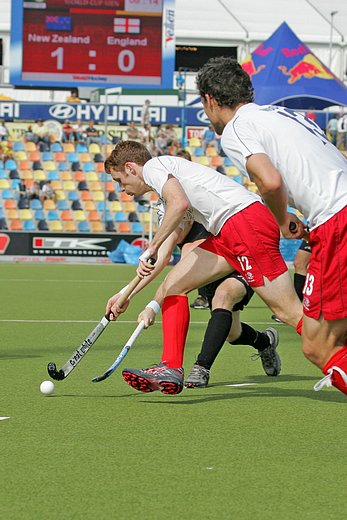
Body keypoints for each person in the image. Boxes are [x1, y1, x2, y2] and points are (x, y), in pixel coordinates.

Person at [196, 56, 347, 395]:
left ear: (209, 99)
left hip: (338, 221)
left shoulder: (236, 129)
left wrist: (282, 220)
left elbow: (271, 182)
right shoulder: (286, 114)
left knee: (317, 344)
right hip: (337, 211)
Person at [104, 141, 302, 394]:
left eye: (120, 180)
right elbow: (163, 256)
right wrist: (126, 294)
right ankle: (171, 367)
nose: (122, 189)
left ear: (131, 168)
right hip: (227, 233)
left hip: (246, 222)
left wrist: (152, 246)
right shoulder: (168, 192)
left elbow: (179, 208)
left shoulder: (154, 167)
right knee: (173, 285)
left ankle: (336, 352)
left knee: (287, 312)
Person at [106, 191, 280, 390]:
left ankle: (201, 368)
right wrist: (125, 293)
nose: (174, 227)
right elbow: (162, 257)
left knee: (223, 298)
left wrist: (152, 306)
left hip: (240, 257)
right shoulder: (172, 215)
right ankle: (265, 341)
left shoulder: (196, 217)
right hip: (211, 271)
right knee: (233, 333)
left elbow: (174, 281)